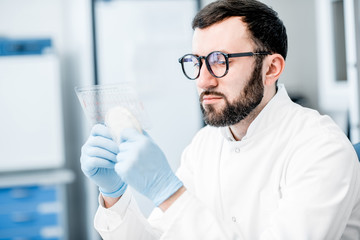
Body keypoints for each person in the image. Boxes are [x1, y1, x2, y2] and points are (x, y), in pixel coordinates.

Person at [80, 0, 360, 239]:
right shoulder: (204, 146)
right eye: (196, 62)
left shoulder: (321, 148)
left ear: (271, 68)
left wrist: (168, 193)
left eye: (220, 60)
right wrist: (113, 195)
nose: (203, 80)